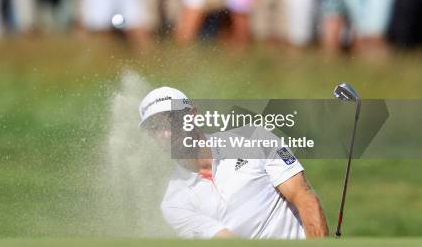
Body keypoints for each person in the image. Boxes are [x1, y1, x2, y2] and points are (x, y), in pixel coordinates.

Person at [138, 87, 329, 239]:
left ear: (193, 115)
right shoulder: (174, 203)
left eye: (172, 120)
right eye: (156, 128)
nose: (167, 133)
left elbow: (303, 196)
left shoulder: (254, 138)